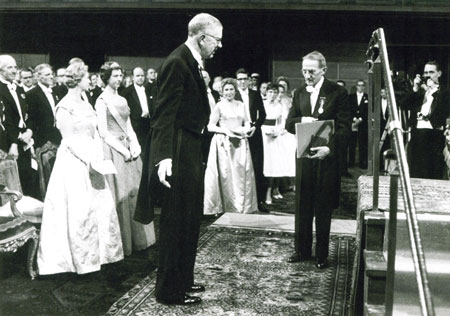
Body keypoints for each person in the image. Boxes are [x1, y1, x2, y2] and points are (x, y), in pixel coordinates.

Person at [134, 13, 223, 306]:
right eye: (217, 40)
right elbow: (163, 115)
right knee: (176, 222)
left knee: (190, 219)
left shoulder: (192, 61)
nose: (219, 46)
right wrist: (163, 158)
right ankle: (169, 291)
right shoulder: (177, 61)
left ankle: (183, 280)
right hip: (178, 148)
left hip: (190, 146)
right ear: (202, 37)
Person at [37, 61, 124, 275]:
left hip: (93, 158)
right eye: (87, 77)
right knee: (80, 210)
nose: (90, 80)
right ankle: (80, 259)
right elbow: (68, 140)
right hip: (74, 162)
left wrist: (98, 156)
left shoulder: (86, 102)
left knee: (101, 208)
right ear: (77, 80)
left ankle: (102, 254)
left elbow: (94, 132)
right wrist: (89, 159)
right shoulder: (65, 106)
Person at [286, 51, 350, 269]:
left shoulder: (338, 92)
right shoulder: (299, 92)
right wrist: (302, 119)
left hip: (326, 159)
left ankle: (321, 254)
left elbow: (344, 129)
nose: (307, 75)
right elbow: (288, 123)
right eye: (304, 71)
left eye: (311, 71)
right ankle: (301, 250)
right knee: (302, 204)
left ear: (323, 70)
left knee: (322, 206)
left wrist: (329, 149)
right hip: (304, 157)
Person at [96, 61, 155, 257]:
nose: (119, 79)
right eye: (115, 76)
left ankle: (140, 238)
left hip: (129, 150)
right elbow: (103, 133)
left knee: (135, 193)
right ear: (106, 78)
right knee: (120, 195)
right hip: (114, 151)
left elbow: (129, 125)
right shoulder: (101, 100)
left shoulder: (122, 98)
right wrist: (123, 149)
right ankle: (123, 241)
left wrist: (135, 145)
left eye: (120, 76)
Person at [203, 78, 258, 215]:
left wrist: (246, 129)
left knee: (240, 173)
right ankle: (225, 206)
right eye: (226, 90)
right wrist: (225, 131)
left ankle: (241, 206)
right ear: (222, 91)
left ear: (235, 90)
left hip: (240, 141)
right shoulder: (219, 106)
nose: (229, 92)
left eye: (231, 89)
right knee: (226, 174)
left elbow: (247, 122)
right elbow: (210, 126)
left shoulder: (240, 104)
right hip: (224, 143)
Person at [401, 61, 450, 179]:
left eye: (431, 72)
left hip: (434, 135)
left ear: (439, 73)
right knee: (415, 172)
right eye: (425, 72)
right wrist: (415, 88)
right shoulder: (419, 92)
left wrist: (433, 91)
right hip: (417, 134)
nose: (428, 75)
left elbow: (444, 111)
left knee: (432, 172)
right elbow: (403, 105)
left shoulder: (445, 92)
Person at [0, 55, 38, 198]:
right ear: (0, 69)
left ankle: (25, 215)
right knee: (11, 182)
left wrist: (29, 131)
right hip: (9, 142)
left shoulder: (19, 89)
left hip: (25, 140)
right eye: (10, 67)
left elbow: (28, 114)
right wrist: (15, 142)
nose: (14, 70)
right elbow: (5, 120)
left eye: (15, 67)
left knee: (26, 176)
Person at [235, 68, 268, 213]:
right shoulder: (233, 94)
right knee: (239, 167)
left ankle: (259, 201)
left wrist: (255, 126)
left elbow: (263, 114)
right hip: (238, 134)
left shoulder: (255, 94)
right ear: (237, 81)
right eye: (240, 79)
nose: (242, 82)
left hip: (255, 134)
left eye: (244, 79)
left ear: (249, 80)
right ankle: (238, 201)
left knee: (257, 166)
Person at [262, 83, 296, 204]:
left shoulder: (280, 106)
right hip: (263, 135)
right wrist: (264, 130)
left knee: (273, 165)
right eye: (270, 92)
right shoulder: (262, 104)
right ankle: (262, 193)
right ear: (266, 92)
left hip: (274, 136)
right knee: (263, 164)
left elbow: (282, 122)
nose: (272, 94)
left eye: (275, 92)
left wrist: (277, 131)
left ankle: (270, 192)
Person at [26, 63, 62, 149]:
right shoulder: (31, 94)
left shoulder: (55, 92)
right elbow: (31, 118)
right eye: (47, 74)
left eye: (51, 74)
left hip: (57, 136)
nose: (51, 77)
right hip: (41, 139)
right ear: (39, 77)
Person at [122, 67, 153, 148]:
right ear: (133, 77)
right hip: (135, 125)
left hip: (148, 124)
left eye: (142, 75)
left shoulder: (148, 89)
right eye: (138, 75)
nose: (140, 78)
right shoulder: (127, 92)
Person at [348, 79, 368, 169]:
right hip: (352, 123)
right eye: (359, 85)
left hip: (362, 124)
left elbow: (368, 110)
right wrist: (354, 118)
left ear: (364, 87)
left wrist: (360, 119)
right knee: (352, 144)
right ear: (356, 86)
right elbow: (348, 109)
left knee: (362, 144)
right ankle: (351, 162)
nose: (360, 87)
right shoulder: (351, 97)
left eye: (362, 85)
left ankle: (362, 163)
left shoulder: (367, 97)